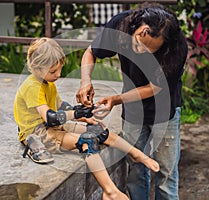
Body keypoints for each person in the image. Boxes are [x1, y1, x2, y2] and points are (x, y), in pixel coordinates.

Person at [13, 37, 160, 200]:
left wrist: (84, 114)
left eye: (60, 69)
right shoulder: (32, 86)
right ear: (37, 68)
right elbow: (50, 118)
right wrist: (77, 115)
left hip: (53, 127)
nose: (59, 75)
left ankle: (136, 153)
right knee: (87, 141)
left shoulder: (48, 82)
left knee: (99, 130)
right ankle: (110, 191)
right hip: (39, 132)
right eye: (53, 71)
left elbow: (61, 106)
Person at [76, 3, 188, 200]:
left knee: (166, 172)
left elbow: (155, 87)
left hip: (165, 109)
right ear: (141, 29)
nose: (142, 53)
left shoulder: (177, 46)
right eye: (139, 44)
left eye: (150, 52)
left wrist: (116, 99)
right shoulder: (120, 25)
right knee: (135, 168)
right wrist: (85, 81)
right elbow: (91, 52)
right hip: (134, 108)